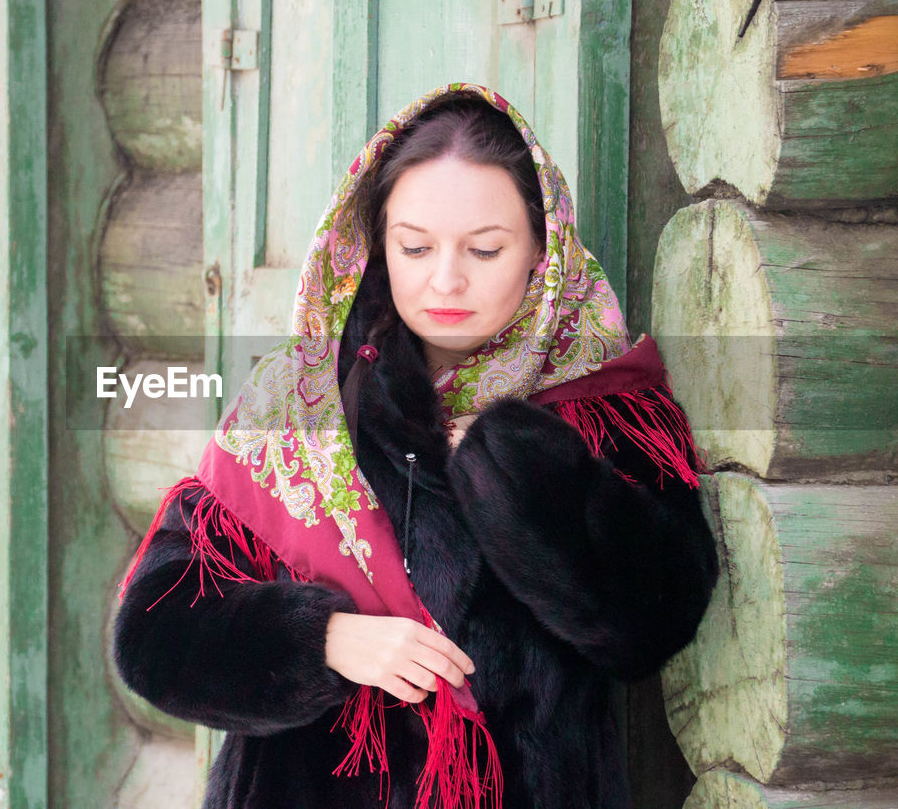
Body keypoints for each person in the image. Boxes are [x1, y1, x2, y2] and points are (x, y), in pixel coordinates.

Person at [112, 83, 719, 809]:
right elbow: (154, 632)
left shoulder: (605, 406)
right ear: (377, 242)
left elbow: (656, 620)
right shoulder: (299, 400)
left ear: (542, 250)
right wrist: (324, 640)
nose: (446, 279)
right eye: (416, 246)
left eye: (485, 249)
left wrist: (510, 468)